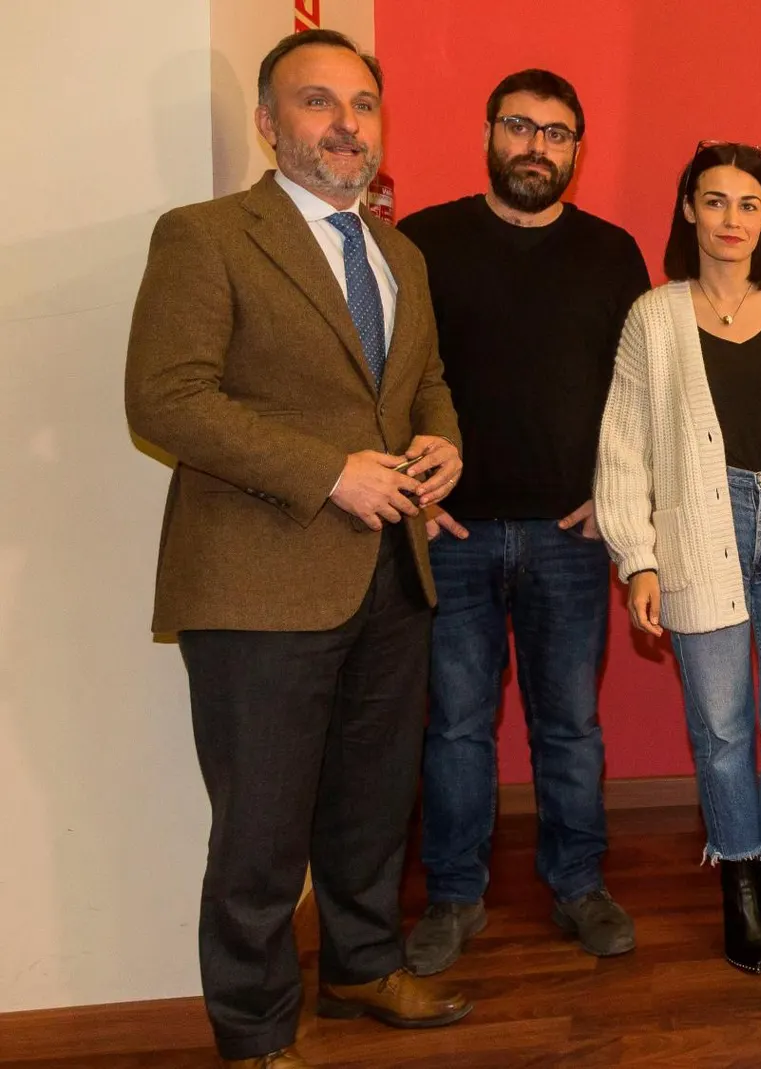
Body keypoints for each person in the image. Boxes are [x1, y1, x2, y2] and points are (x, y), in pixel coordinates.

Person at [124, 29, 473, 1068]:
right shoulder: (207, 235)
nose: (346, 125)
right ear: (272, 126)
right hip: (256, 584)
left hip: (389, 578)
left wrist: (444, 440)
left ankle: (363, 964)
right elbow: (166, 398)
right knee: (260, 833)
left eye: (363, 105)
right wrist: (330, 471)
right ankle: (253, 1027)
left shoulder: (400, 252)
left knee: (373, 807)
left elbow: (426, 381)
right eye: (318, 104)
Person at [396, 68, 651, 976]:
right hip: (452, 536)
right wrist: (410, 492)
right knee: (457, 727)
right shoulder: (422, 242)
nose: (536, 147)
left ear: (576, 150)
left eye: (556, 133)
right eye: (520, 126)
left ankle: (578, 883)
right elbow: (384, 378)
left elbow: (641, 392)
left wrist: (616, 493)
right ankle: (454, 897)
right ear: (489, 133)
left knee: (569, 726)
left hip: (569, 538)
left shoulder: (613, 253)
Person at [594, 142, 761, 974]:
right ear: (688, 209)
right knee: (723, 727)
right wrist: (639, 557)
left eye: (748, 203)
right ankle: (738, 878)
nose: (731, 219)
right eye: (715, 201)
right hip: (703, 528)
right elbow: (625, 444)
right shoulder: (652, 316)